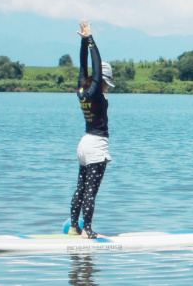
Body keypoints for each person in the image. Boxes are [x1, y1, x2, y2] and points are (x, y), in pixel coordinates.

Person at [68, 20, 115, 239]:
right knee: (90, 192)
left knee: (80, 187)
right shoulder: (95, 91)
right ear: (102, 81)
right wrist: (91, 39)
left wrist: (83, 41)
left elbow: (83, 66)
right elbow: (94, 66)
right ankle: (87, 230)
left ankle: (74, 227)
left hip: (84, 143)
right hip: (96, 146)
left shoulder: (81, 89)